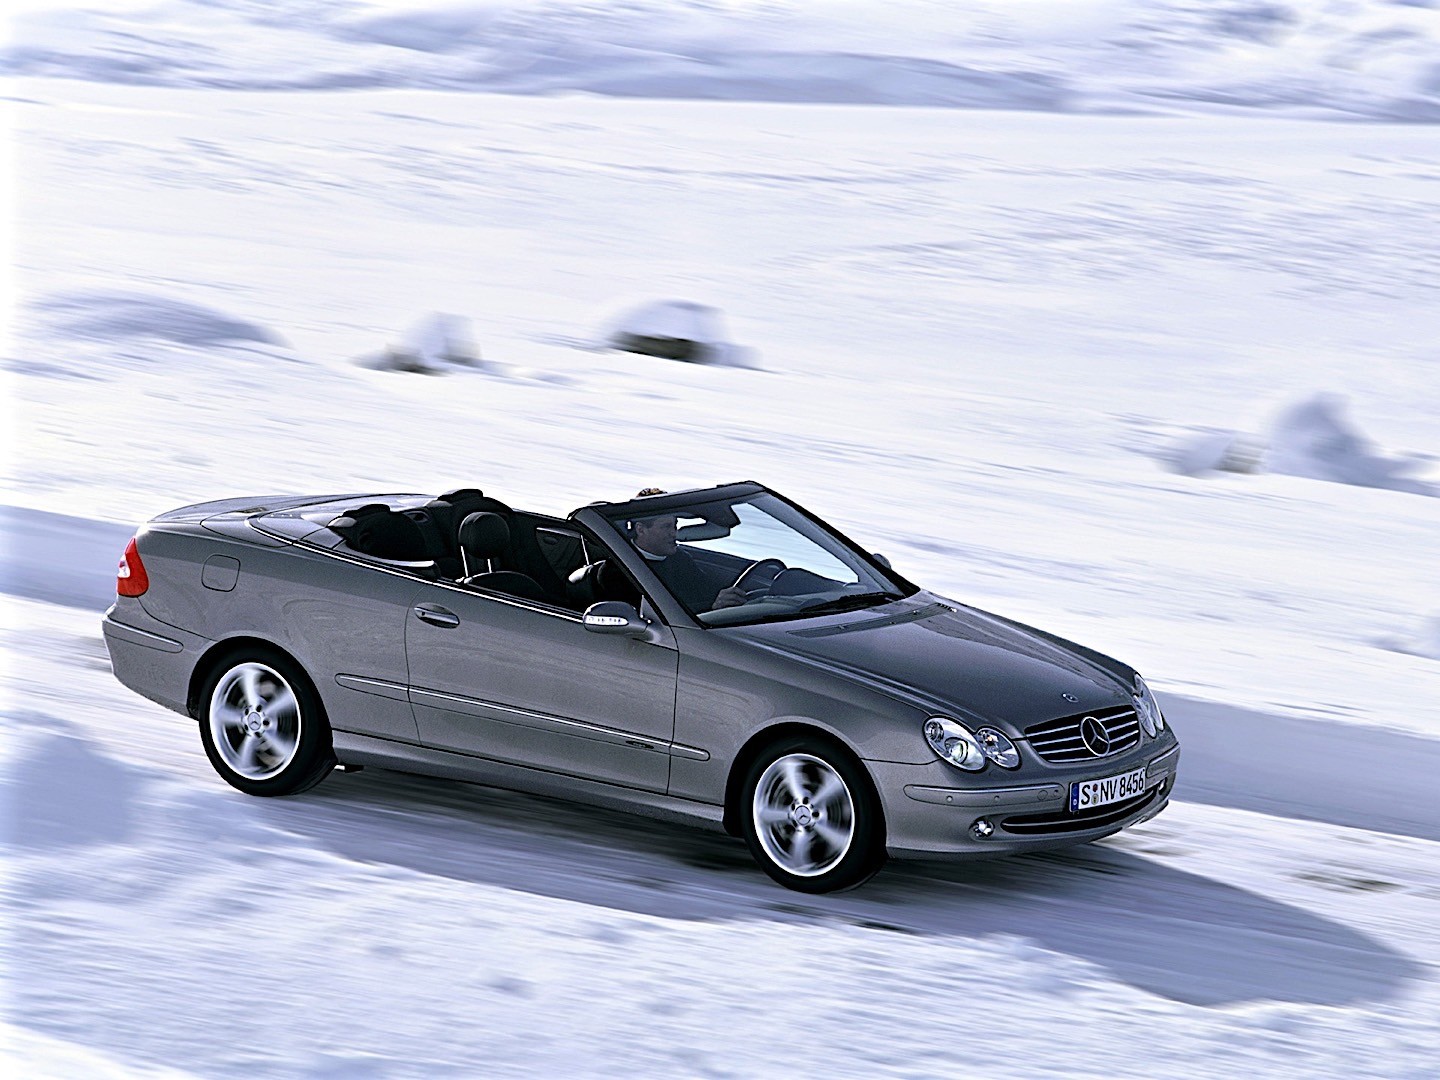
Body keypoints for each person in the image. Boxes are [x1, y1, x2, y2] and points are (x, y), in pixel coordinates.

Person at [629, 491, 748, 612]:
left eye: (675, 525)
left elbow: (709, 591)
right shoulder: (625, 567)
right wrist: (712, 608)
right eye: (666, 527)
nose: (674, 533)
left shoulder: (680, 558)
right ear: (641, 530)